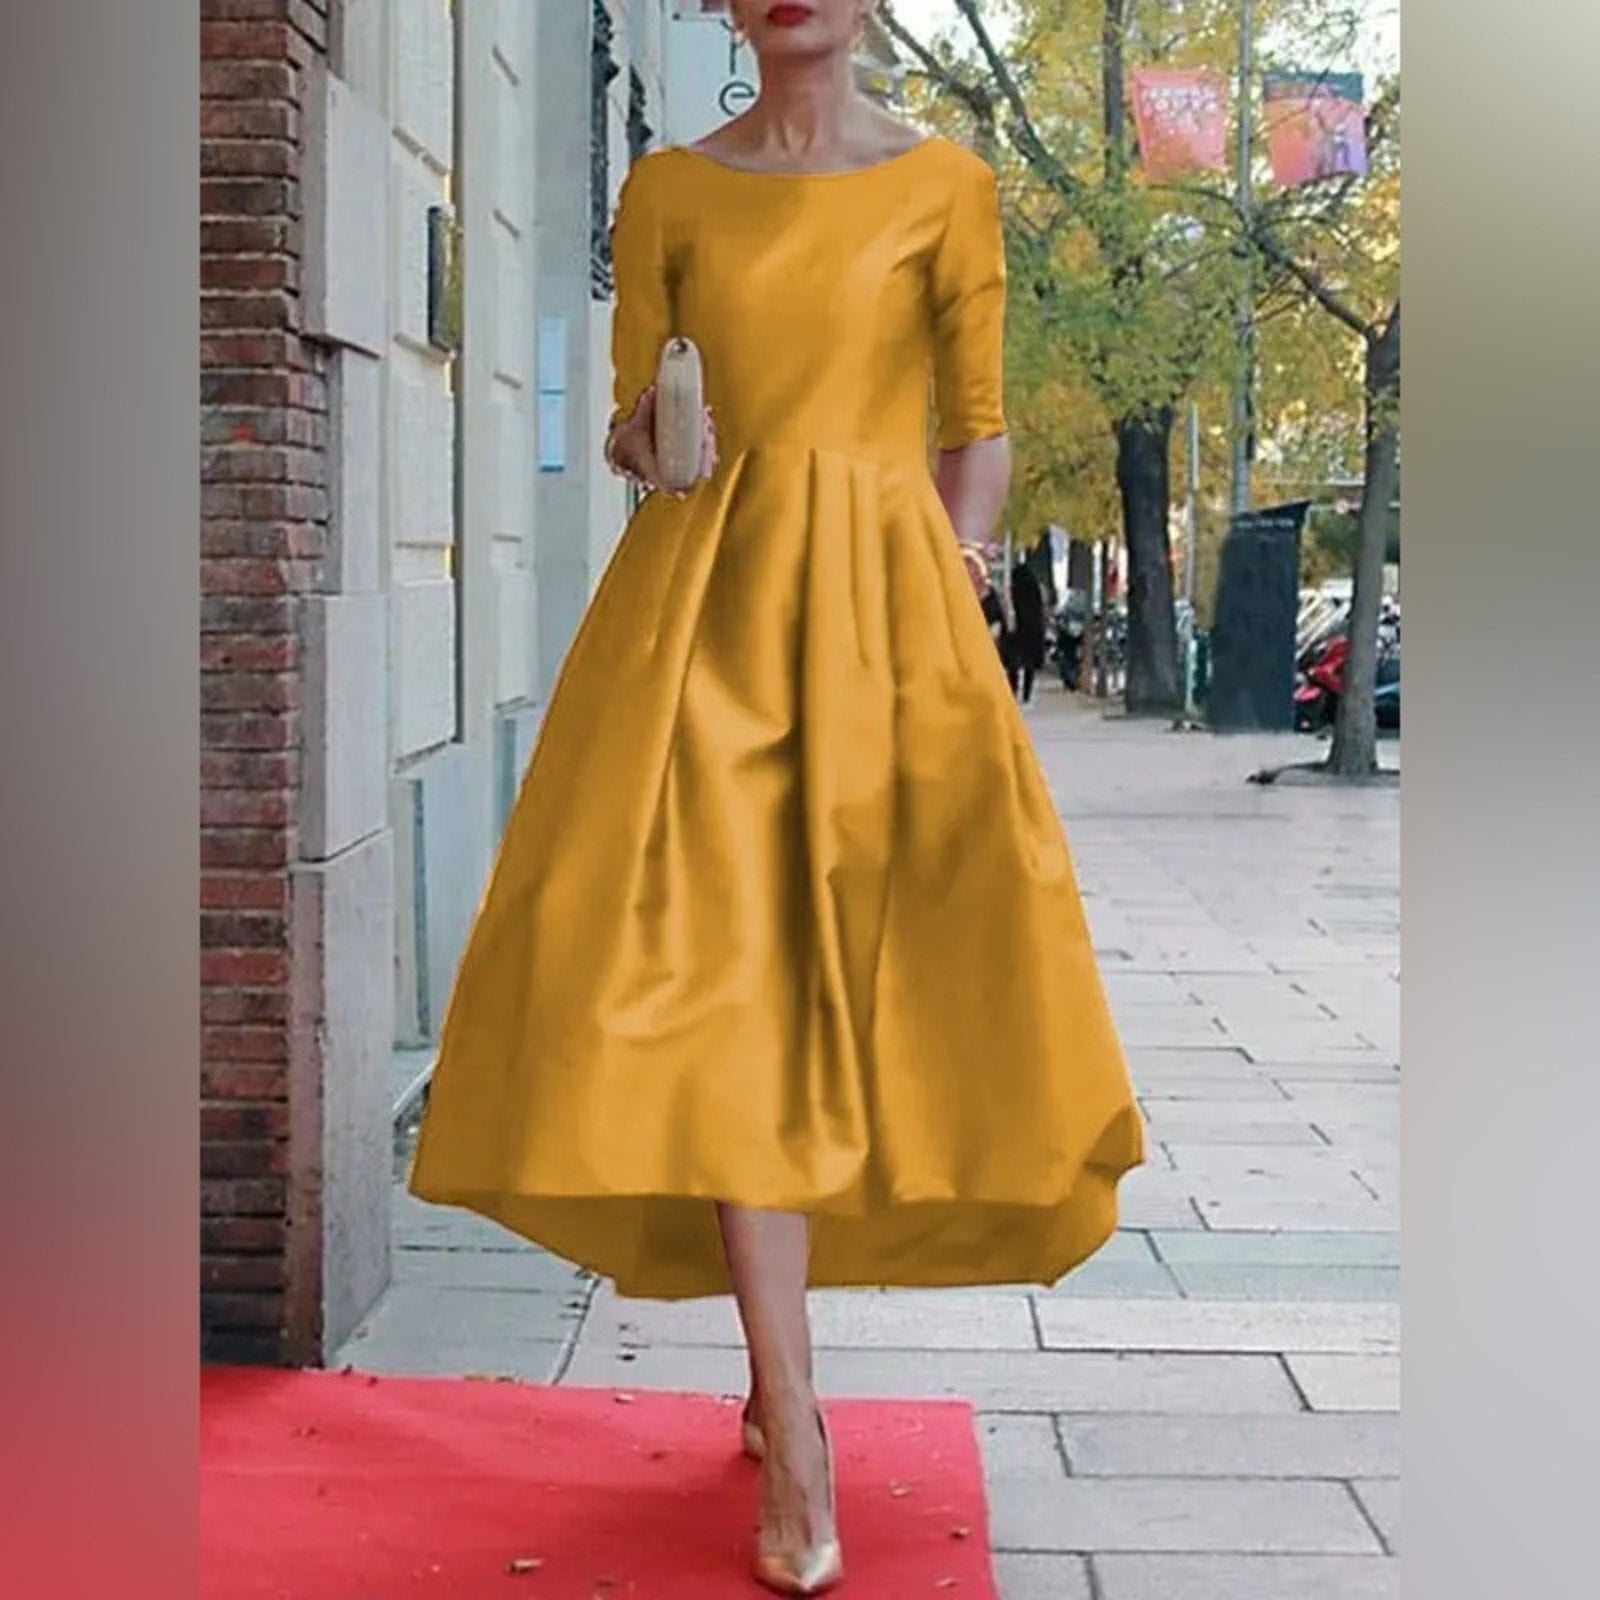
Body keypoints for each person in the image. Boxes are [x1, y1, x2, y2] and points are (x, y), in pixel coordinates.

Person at [406, 2, 1144, 1591]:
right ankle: (796, 1416)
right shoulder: (668, 184)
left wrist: (950, 590)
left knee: (878, 981)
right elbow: (637, 424)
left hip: (887, 619)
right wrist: (645, 438)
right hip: (709, 631)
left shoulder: (947, 183)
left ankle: (776, 1365)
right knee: (728, 986)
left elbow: (976, 432)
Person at [1007, 556, 1047, 704]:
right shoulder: (1034, 590)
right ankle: (1026, 694)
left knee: (1014, 663)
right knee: (1029, 665)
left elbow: (1012, 608)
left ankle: (1013, 690)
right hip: (1033, 630)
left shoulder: (1016, 589)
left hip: (1018, 630)